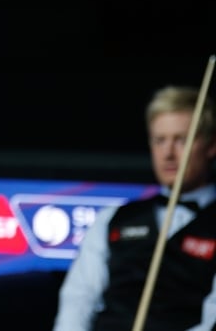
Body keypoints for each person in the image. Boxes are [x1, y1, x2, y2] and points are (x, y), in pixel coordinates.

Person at [53, 85, 216, 331]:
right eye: (159, 140)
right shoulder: (114, 218)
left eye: (181, 140)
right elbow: (79, 298)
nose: (168, 153)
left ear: (211, 146)